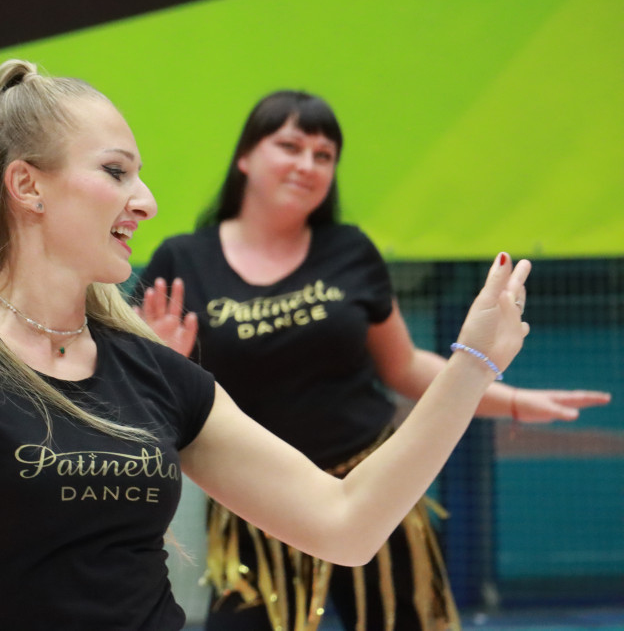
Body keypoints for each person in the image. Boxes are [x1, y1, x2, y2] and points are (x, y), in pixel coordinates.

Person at [0, 61, 533, 631]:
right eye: (117, 172)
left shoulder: (156, 374)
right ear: (28, 187)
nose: (149, 200)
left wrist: (471, 366)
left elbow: (344, 525)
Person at [132, 90, 612, 631]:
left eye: (323, 155)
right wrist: (161, 366)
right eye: (290, 145)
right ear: (245, 157)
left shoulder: (350, 250)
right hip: (257, 506)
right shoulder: (182, 260)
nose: (307, 164)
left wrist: (514, 400)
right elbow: (150, 400)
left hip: (374, 491)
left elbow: (404, 366)